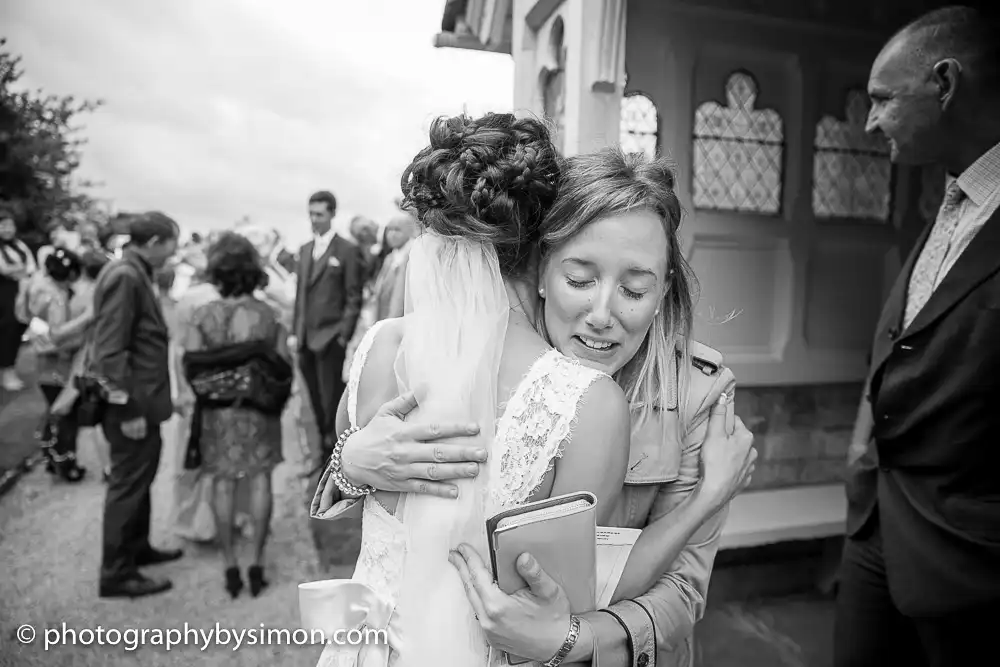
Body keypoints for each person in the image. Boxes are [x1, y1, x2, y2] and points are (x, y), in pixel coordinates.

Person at [320, 147, 756, 666]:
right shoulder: (466, 360)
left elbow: (683, 592)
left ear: (662, 292)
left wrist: (572, 639)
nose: (602, 314)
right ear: (540, 270)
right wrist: (349, 463)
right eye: (579, 280)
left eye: (635, 289)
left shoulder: (696, 395)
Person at [306, 112, 634, 667]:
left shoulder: (381, 347)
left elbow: (343, 475)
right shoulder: (587, 402)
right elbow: (569, 609)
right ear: (547, 245)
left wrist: (349, 462)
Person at [835, 7, 1000, 666]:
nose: (871, 120)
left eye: (883, 99)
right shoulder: (952, 198)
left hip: (971, 560)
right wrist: (858, 453)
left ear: (946, 83)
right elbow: (905, 336)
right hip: (878, 522)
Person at [181, 232, 290, 598]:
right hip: (259, 412)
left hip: (216, 413)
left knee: (222, 482)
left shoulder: (201, 315)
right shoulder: (268, 316)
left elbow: (193, 371)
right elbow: (280, 370)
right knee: (260, 481)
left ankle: (230, 565)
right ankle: (256, 564)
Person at [90, 211, 182, 599]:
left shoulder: (134, 269)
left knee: (141, 478)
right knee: (127, 485)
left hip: (145, 401)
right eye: (172, 243)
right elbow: (109, 352)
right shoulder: (126, 275)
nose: (175, 252)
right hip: (131, 405)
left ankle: (137, 548)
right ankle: (116, 572)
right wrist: (126, 409)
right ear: (156, 241)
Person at [291, 190, 365, 473]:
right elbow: (300, 297)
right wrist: (295, 332)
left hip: (330, 338)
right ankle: (321, 456)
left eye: (319, 214)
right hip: (305, 340)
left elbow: (353, 296)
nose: (313, 219)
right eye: (310, 213)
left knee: (331, 401)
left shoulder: (346, 250)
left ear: (332, 214)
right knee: (314, 403)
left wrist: (342, 335)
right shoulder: (305, 249)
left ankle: (334, 461)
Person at [23, 247, 88, 482]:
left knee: (55, 412)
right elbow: (57, 335)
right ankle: (65, 463)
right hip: (57, 366)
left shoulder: (38, 287)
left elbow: (29, 320)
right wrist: (87, 321)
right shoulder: (55, 297)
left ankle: (52, 458)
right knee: (65, 414)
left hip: (46, 366)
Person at [0, 206, 35, 392]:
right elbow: (4, 269)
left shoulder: (19, 245)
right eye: (2, 225)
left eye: (9, 225)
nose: (6, 229)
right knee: (6, 329)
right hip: (3, 292)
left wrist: (17, 270)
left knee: (14, 330)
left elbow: (30, 267)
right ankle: (6, 371)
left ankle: (8, 369)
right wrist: (17, 270)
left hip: (19, 292)